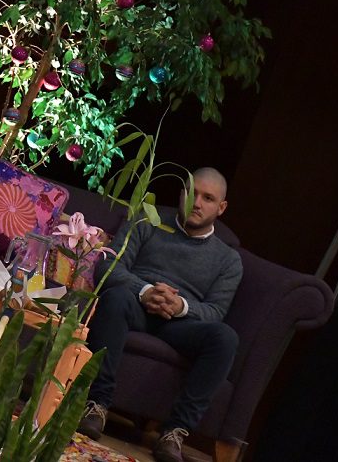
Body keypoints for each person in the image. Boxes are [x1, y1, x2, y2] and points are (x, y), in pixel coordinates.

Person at [77, 167, 242, 462]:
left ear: (221, 207)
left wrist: (181, 307)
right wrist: (144, 291)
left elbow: (215, 311)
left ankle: (174, 433)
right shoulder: (147, 220)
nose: (196, 203)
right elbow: (109, 266)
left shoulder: (229, 260)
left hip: (181, 325)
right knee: (115, 298)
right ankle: (96, 405)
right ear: (181, 193)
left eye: (207, 198)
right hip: (134, 304)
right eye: (191, 193)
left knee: (225, 338)